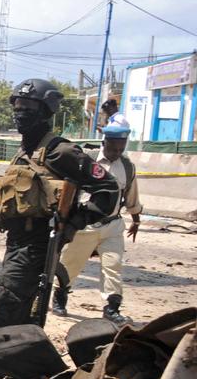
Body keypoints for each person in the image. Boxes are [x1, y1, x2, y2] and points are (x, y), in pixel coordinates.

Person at [0, 79, 120, 330]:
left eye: (28, 108)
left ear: (45, 112)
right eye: (17, 107)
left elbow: (108, 190)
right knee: (19, 320)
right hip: (17, 243)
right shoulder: (24, 151)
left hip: (37, 247)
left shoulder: (60, 151)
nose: (20, 113)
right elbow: (19, 198)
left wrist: (73, 222)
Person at [54, 122, 142, 323]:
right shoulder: (87, 161)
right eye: (113, 149)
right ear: (105, 142)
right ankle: (59, 297)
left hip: (112, 226)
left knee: (113, 266)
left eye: (120, 149)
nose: (116, 153)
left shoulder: (127, 167)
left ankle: (111, 308)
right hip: (84, 227)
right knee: (70, 265)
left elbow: (131, 196)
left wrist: (136, 220)